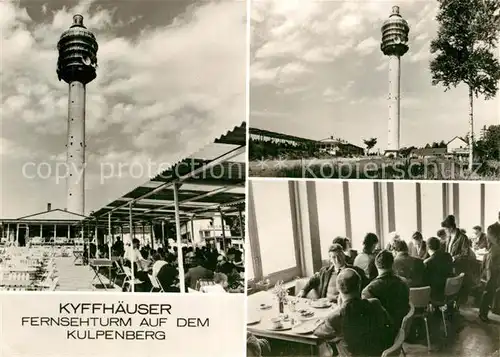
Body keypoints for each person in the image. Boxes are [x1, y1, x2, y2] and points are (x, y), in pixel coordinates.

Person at [314, 268, 394, 356]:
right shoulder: (375, 303)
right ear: (359, 285)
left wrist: (339, 309)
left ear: (338, 288)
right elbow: (390, 325)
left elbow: (317, 332)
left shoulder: (335, 317)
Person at [362, 250, 410, 335]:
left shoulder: (369, 290)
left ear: (376, 266)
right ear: (393, 264)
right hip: (401, 331)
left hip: (382, 335)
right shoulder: (404, 282)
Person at [298, 244, 367, 302]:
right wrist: (303, 290)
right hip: (326, 305)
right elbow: (313, 279)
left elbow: (367, 286)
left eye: (339, 255)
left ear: (344, 255)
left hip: (347, 306)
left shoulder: (356, 271)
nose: (337, 260)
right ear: (330, 259)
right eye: (334, 257)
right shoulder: (325, 272)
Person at [478, 224, 500, 322]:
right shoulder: (493, 228)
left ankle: (496, 308)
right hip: (494, 262)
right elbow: (497, 243)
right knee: (490, 288)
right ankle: (483, 313)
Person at [423, 237, 454, 301]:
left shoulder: (427, 262)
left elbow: (425, 281)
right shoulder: (448, 256)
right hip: (449, 288)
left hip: (436, 292)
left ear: (427, 247)